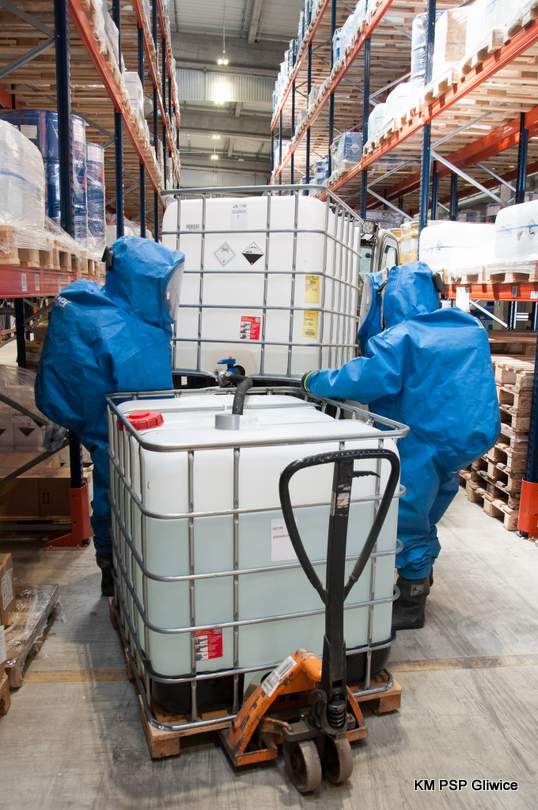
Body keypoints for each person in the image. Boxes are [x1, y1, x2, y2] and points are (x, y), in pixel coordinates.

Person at [302, 262, 499, 630]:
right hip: (462, 439)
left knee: (404, 517)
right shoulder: (467, 327)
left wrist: (315, 380)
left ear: (391, 297)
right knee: (427, 513)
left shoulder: (402, 338)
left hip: (419, 440)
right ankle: (421, 572)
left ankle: (411, 600)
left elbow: (365, 379)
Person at [35, 236, 184, 596]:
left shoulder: (92, 303)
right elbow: (150, 408)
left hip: (94, 419)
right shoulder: (136, 338)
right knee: (121, 493)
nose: (170, 296)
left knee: (113, 488)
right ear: (142, 283)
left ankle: (113, 564)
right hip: (115, 432)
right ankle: (115, 568)